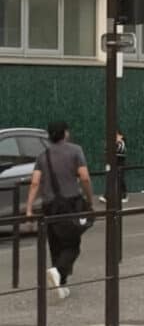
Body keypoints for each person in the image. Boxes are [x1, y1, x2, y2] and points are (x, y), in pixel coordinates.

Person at [25, 122, 94, 300]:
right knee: (72, 245)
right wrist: (90, 199)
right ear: (65, 133)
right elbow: (84, 177)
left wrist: (29, 208)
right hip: (70, 204)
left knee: (55, 244)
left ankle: (60, 285)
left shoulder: (43, 156)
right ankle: (58, 272)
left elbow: (34, 183)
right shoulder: (75, 151)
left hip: (49, 207)